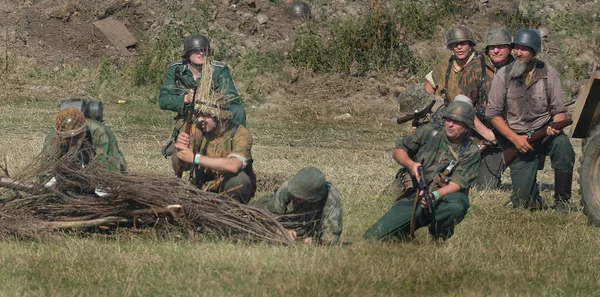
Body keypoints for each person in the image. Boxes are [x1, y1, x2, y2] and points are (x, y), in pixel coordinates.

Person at [364, 98, 480, 241]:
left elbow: (457, 184)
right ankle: (404, 231)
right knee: (372, 237)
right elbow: (398, 151)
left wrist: (434, 196)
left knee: (455, 207)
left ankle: (439, 234)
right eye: (448, 119)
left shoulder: (471, 151)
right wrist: (411, 165)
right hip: (414, 196)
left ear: (467, 127)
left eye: (456, 122)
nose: (450, 124)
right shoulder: (428, 132)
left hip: (443, 199)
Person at [485, 29, 575, 211]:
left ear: (535, 51)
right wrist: (514, 139)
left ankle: (562, 202)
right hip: (516, 139)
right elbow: (493, 115)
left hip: (543, 133)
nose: (518, 52)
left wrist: (555, 127)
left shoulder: (550, 74)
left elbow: (558, 111)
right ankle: (534, 199)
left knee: (563, 145)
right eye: (516, 48)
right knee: (524, 203)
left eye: (524, 49)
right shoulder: (503, 75)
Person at [159, 34, 247, 158]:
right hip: (190, 116)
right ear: (188, 53)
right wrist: (185, 99)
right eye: (196, 50)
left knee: (238, 110)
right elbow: (163, 100)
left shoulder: (218, 69)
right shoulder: (176, 69)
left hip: (215, 115)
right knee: (182, 152)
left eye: (204, 50)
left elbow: (232, 97)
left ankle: (237, 150)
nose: (200, 54)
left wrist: (210, 103)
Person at [459, 28, 515, 189]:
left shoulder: (520, 68)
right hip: (481, 133)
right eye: (492, 47)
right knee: (485, 185)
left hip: (512, 131)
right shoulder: (474, 68)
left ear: (510, 48)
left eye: (501, 46)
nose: (496, 50)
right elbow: (463, 106)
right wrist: (486, 133)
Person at [174, 95, 255, 204]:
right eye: (198, 114)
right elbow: (180, 167)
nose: (199, 119)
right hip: (203, 189)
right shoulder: (196, 130)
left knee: (239, 179)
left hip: (228, 188)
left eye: (205, 115)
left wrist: (195, 158)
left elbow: (234, 165)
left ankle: (233, 211)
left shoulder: (240, 134)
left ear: (219, 116)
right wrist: (178, 149)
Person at [414, 26, 478, 132]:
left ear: (470, 45)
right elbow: (427, 91)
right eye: (455, 44)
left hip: (474, 117)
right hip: (449, 115)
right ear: (451, 48)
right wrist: (416, 121)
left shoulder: (481, 65)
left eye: (462, 43)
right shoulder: (445, 64)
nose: (459, 47)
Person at [255, 167, 343, 245]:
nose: (296, 197)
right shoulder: (288, 187)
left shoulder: (331, 197)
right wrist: (283, 232)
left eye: (300, 196)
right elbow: (266, 219)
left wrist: (314, 241)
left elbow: (331, 237)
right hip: (268, 212)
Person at [42, 107, 127, 173]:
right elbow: (47, 166)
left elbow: (110, 159)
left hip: (97, 170)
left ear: (83, 132)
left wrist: (102, 179)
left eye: (76, 137)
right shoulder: (53, 138)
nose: (72, 141)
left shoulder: (100, 132)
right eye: (67, 138)